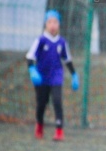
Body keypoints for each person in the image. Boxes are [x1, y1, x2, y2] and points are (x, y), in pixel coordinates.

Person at [26, 10, 79, 141]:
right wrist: (32, 70)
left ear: (59, 24)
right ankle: (39, 125)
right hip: (41, 77)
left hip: (56, 76)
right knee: (42, 103)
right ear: (46, 24)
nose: (52, 25)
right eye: (50, 22)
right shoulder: (41, 40)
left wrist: (74, 75)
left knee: (57, 101)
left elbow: (68, 60)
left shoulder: (62, 42)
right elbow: (29, 57)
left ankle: (59, 131)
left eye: (55, 22)